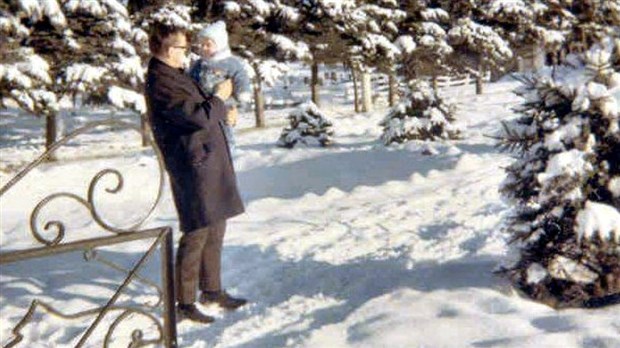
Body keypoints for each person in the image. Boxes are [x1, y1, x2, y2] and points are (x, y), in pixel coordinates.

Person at [145, 23, 247, 324]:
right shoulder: (161, 81)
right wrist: (219, 97)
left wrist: (223, 110)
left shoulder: (176, 74)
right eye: (181, 47)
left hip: (206, 160)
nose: (186, 52)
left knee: (215, 225)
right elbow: (196, 116)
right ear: (166, 49)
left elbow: (202, 110)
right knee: (197, 230)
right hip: (192, 165)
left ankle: (212, 289)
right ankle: (185, 301)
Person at [189, 21, 252, 155]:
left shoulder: (230, 63)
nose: (203, 48)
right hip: (204, 107)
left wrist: (242, 95)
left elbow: (240, 77)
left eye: (208, 45)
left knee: (225, 130)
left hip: (225, 106)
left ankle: (229, 152)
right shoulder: (198, 65)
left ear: (219, 44)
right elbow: (190, 80)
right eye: (201, 45)